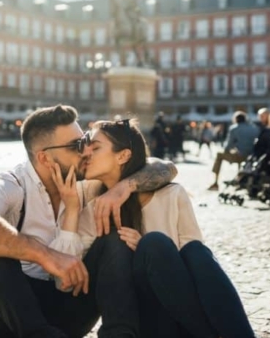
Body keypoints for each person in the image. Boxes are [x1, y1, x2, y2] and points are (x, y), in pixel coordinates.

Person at [0, 105, 177, 338]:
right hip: (14, 319)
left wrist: (124, 186)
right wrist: (45, 255)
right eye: (76, 146)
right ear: (45, 157)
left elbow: (166, 168)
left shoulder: (83, 183)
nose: (86, 151)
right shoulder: (14, 185)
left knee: (115, 240)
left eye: (86, 141)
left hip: (68, 311)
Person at [50, 119, 255, 338]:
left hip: (180, 315)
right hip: (145, 323)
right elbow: (64, 282)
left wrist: (146, 251)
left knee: (192, 251)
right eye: (86, 145)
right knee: (154, 244)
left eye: (96, 147)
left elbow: (195, 271)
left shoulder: (172, 195)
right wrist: (71, 210)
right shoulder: (93, 205)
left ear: (123, 155)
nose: (86, 152)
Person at [208, 111, 259, 191]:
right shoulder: (254, 128)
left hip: (240, 156)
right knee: (240, 156)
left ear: (235, 120)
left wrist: (229, 150)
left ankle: (215, 182)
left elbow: (228, 146)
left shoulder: (234, 128)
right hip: (252, 156)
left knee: (219, 155)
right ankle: (240, 181)